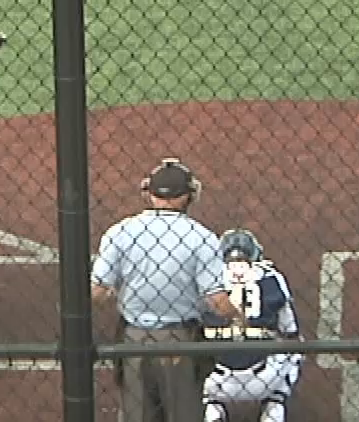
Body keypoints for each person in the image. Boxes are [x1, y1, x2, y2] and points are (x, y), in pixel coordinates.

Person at [92, 158, 243, 422]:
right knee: (183, 415)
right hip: (179, 342)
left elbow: (98, 292)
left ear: (149, 193)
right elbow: (217, 301)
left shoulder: (120, 232)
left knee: (137, 415)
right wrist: (241, 317)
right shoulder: (201, 237)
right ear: (188, 196)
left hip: (133, 340)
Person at [200, 229, 302, 422]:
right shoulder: (271, 276)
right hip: (264, 379)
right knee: (296, 348)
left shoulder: (208, 276)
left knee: (187, 342)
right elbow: (290, 329)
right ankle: (275, 404)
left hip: (215, 379)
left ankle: (211, 407)